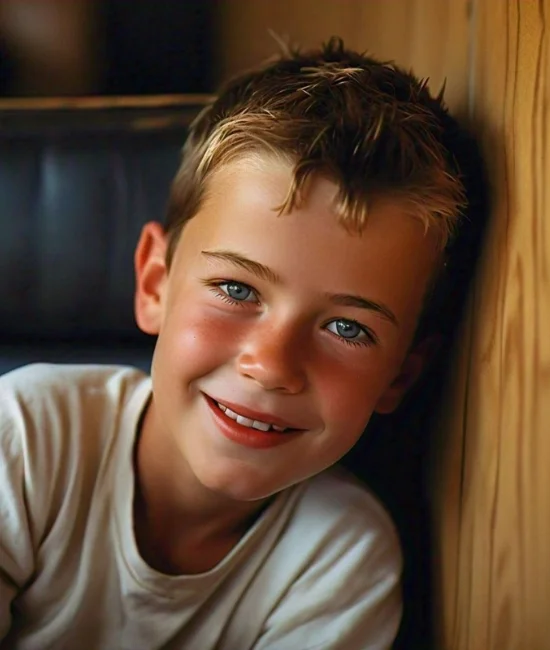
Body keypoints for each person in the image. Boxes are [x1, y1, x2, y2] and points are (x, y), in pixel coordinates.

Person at [0, 38, 484, 649]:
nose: (271, 365)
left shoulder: (338, 561)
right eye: (236, 288)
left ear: (399, 377)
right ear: (155, 283)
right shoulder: (24, 437)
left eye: (347, 328)